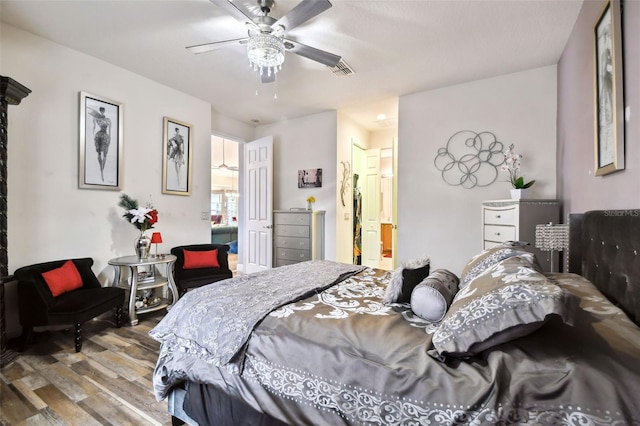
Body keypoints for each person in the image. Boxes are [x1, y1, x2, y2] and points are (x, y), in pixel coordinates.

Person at [87, 106, 111, 181]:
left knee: (105, 154)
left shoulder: (108, 119)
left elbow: (110, 131)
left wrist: (109, 139)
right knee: (99, 154)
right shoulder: (96, 118)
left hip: (105, 136)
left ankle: (102, 172)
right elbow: (93, 128)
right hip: (99, 135)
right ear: (100, 111)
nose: (102, 112)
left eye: (103, 111)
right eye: (101, 110)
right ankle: (101, 173)